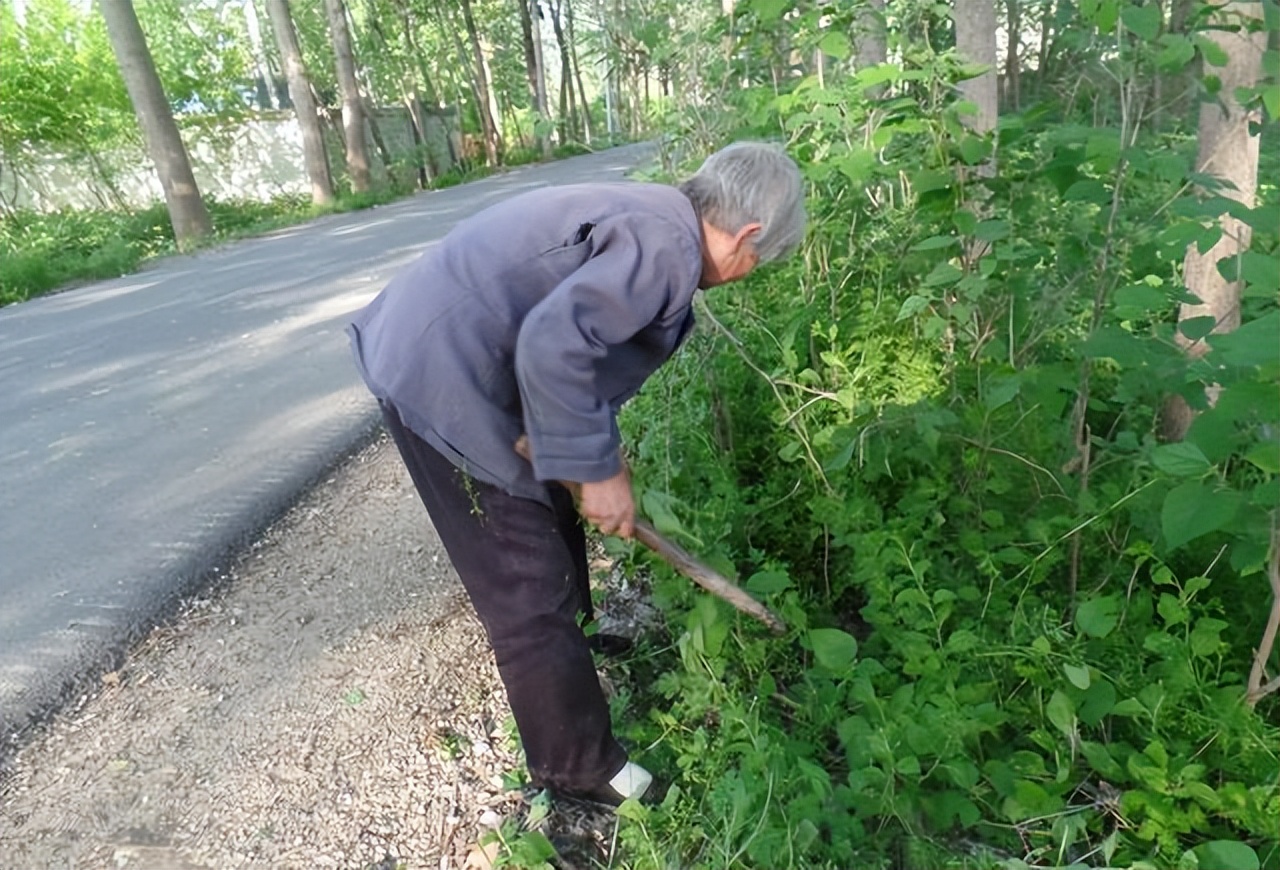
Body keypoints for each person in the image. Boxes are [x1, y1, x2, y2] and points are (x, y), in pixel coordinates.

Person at [346, 142, 805, 806]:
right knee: (522, 574)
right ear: (748, 235)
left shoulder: (660, 221)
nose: (749, 273)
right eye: (760, 262)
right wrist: (598, 471)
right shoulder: (665, 247)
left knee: (552, 506)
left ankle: (578, 640)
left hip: (465, 355)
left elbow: (579, 354)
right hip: (443, 371)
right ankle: (574, 766)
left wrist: (599, 458)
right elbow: (554, 345)